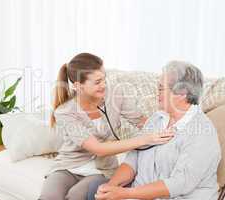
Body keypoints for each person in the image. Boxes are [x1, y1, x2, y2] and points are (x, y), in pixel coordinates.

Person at [38, 53, 173, 200]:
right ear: (78, 86)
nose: (103, 85)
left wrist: (166, 126)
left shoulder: (115, 94)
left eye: (104, 78)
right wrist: (145, 139)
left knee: (75, 196)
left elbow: (140, 121)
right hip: (68, 167)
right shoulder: (65, 112)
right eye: (97, 82)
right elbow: (98, 149)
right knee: (49, 196)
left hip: (102, 169)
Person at [95, 61, 222, 200]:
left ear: (181, 93)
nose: (157, 93)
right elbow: (132, 161)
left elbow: (180, 183)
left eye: (161, 88)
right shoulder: (157, 119)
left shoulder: (202, 132)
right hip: (138, 195)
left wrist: (125, 193)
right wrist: (111, 187)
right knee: (93, 190)